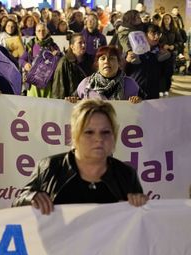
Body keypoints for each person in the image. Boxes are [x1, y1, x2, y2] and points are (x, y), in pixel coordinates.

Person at [12, 99, 148, 214]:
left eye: (105, 132)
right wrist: (31, 198)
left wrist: (141, 205)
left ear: (114, 135)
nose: (98, 139)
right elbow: (16, 206)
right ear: (75, 135)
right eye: (89, 132)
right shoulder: (50, 167)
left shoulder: (126, 174)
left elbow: (141, 227)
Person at [76, 46, 141, 103]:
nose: (106, 61)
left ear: (118, 63)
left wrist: (138, 101)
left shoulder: (130, 84)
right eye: (103, 58)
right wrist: (72, 100)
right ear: (97, 64)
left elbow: (144, 105)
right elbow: (75, 102)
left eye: (111, 58)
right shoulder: (86, 84)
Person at [125, 24, 171, 99]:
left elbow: (167, 74)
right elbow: (122, 72)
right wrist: (127, 61)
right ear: (144, 35)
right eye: (153, 33)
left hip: (153, 93)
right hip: (134, 92)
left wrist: (168, 58)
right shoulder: (132, 51)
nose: (156, 37)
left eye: (158, 34)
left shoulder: (161, 52)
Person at [52, 33, 94, 99]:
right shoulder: (64, 62)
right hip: (70, 101)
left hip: (87, 101)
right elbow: (58, 88)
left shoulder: (91, 60)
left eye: (84, 42)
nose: (83, 45)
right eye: (80, 43)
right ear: (72, 46)